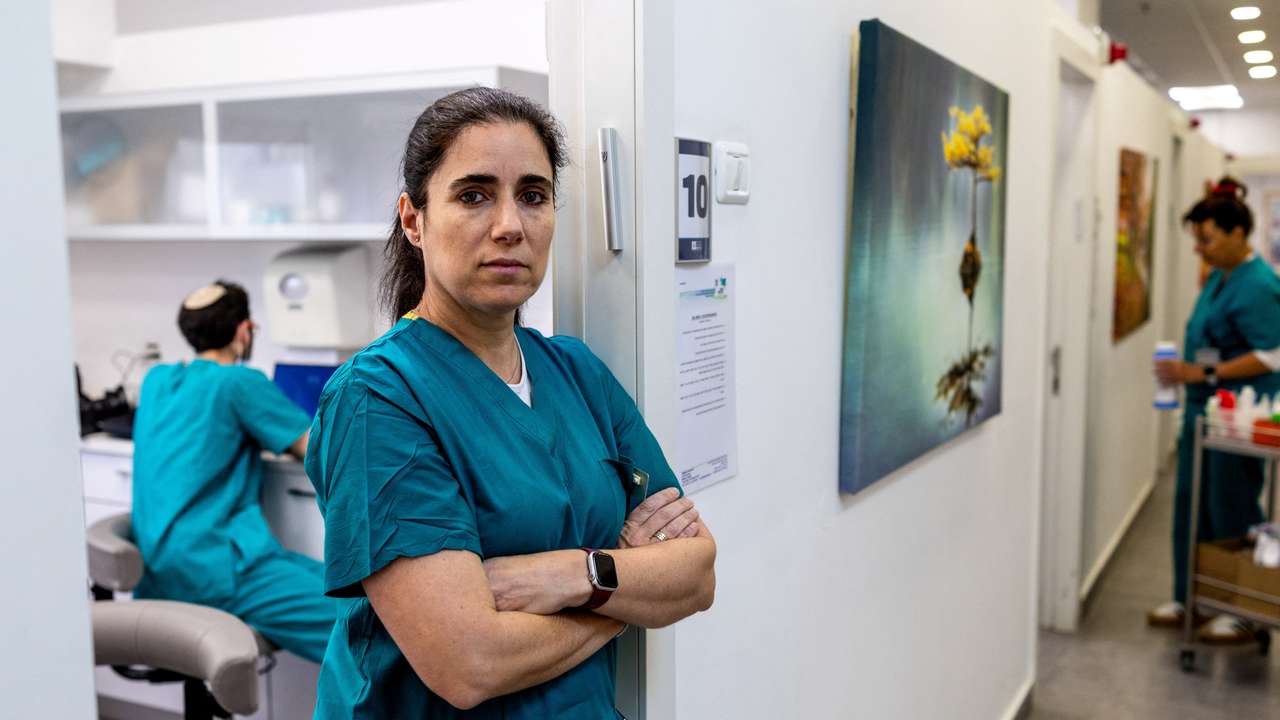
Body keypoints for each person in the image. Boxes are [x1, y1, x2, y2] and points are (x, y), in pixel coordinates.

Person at [305, 87, 717, 718]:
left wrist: (570, 576)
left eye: (533, 195)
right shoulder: (378, 397)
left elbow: (696, 575)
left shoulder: (576, 371)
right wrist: (625, 592)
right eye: (473, 195)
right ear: (414, 220)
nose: (509, 226)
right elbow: (470, 664)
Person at [131, 280, 335, 662]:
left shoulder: (156, 380)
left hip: (160, 571)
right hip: (219, 569)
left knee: (348, 586)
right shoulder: (238, 382)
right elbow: (320, 451)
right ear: (245, 329)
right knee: (369, 624)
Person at [1152, 177, 1280, 643]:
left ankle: (1242, 610)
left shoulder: (1260, 285)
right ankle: (1193, 598)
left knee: (1231, 508)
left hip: (1238, 420)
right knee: (1191, 504)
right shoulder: (1219, 279)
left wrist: (1204, 375)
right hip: (1203, 415)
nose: (1199, 249)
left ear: (1236, 234)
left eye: (1206, 239)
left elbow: (1271, 354)